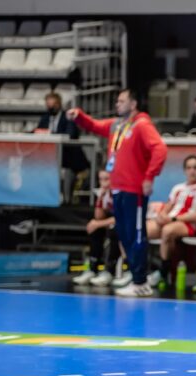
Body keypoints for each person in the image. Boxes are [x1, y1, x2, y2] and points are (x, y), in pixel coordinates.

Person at [67, 88, 168, 297]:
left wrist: (149, 176)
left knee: (136, 234)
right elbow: (94, 125)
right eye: (117, 101)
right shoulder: (117, 126)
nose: (117, 105)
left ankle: (141, 281)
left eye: (121, 101)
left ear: (133, 104)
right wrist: (79, 116)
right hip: (118, 189)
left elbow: (160, 149)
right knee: (123, 234)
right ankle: (135, 274)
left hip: (134, 190)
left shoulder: (142, 125)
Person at [145, 155, 196, 288]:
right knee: (142, 230)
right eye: (189, 168)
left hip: (188, 225)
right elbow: (168, 206)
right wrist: (162, 216)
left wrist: (172, 219)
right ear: (185, 171)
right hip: (170, 220)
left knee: (167, 231)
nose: (192, 171)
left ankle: (163, 272)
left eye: (195, 168)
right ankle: (134, 270)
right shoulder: (178, 188)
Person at [36, 92, 89, 204]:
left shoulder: (68, 117)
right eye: (48, 105)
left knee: (66, 172)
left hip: (69, 158)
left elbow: (70, 134)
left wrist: (50, 133)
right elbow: (38, 131)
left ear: (59, 104)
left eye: (53, 104)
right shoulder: (45, 118)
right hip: (50, 158)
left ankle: (66, 201)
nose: (51, 107)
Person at [73, 170, 121, 286]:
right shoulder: (105, 193)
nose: (103, 183)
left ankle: (110, 270)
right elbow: (98, 216)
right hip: (111, 221)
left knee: (114, 229)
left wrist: (97, 223)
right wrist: (100, 198)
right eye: (101, 179)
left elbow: (121, 218)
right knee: (95, 229)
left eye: (107, 179)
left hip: (125, 223)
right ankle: (92, 269)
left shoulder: (119, 192)